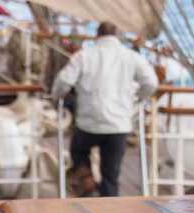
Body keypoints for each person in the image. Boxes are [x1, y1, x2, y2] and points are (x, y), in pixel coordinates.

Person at [52, 22, 158, 197]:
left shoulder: (83, 56)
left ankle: (86, 178)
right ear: (116, 36)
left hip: (88, 124)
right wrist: (138, 97)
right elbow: (151, 83)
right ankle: (109, 210)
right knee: (110, 176)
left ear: (97, 36)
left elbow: (63, 82)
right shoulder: (131, 56)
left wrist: (57, 96)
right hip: (118, 126)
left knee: (78, 151)